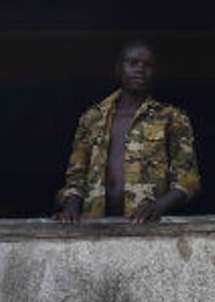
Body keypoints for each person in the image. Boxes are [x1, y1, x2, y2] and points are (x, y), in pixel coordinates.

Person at [55, 40, 200, 223]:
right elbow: (77, 174)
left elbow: (188, 180)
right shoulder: (92, 118)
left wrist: (158, 207)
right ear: (118, 69)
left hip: (147, 226)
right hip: (94, 226)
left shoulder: (172, 118)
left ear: (155, 73)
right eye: (132, 63)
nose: (140, 69)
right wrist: (71, 208)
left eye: (147, 65)